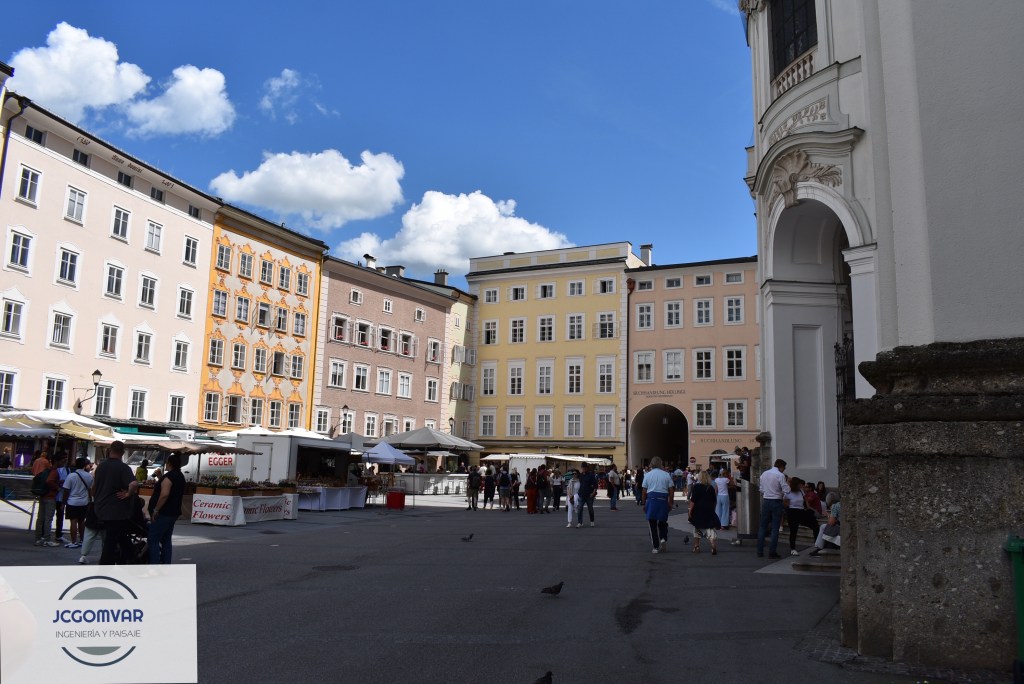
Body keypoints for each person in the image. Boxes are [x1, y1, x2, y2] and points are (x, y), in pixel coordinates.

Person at [93, 441, 139, 564]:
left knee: (118, 534)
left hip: (100, 506)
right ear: (123, 452)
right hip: (115, 508)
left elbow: (95, 485)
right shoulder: (123, 467)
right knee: (112, 538)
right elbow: (134, 483)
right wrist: (128, 494)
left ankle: (130, 555)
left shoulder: (100, 466)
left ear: (110, 450)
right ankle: (106, 564)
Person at [148, 452, 185, 564]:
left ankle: (154, 565)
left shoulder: (170, 476)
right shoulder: (180, 476)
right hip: (173, 512)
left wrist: (156, 510)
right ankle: (166, 564)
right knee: (166, 540)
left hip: (164, 512)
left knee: (153, 539)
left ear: (169, 464)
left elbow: (165, 494)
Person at [756, 459, 789, 559]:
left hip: (766, 500)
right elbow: (786, 490)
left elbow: (761, 489)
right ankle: (772, 552)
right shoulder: (780, 475)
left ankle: (759, 551)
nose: (784, 470)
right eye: (784, 468)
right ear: (781, 466)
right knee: (775, 528)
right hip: (776, 501)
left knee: (762, 526)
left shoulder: (764, 474)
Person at [641, 457, 674, 553]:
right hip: (663, 499)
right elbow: (671, 490)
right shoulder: (666, 474)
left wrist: (644, 503)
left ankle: (655, 547)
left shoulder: (647, 475)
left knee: (652, 523)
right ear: (661, 464)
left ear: (651, 464)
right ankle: (663, 537)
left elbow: (644, 491)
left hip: (651, 499)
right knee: (663, 521)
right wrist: (670, 502)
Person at [62, 457, 93, 549]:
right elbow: (90, 490)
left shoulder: (71, 476)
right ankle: (82, 540)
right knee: (82, 521)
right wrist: (90, 501)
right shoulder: (89, 476)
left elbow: (66, 490)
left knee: (73, 522)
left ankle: (74, 541)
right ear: (84, 465)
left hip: (72, 502)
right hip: (84, 502)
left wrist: (63, 503)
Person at [688, 470, 721, 554]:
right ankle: (712, 543)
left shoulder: (696, 487)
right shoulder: (710, 488)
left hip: (698, 509)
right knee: (709, 527)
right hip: (709, 509)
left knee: (697, 527)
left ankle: (697, 546)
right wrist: (712, 509)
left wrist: (690, 510)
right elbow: (714, 500)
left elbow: (693, 500)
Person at [33, 453, 62, 547]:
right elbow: (49, 481)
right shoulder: (54, 471)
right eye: (62, 461)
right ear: (57, 462)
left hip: (43, 495)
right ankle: (47, 539)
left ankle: (38, 538)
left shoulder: (47, 469)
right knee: (48, 519)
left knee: (40, 518)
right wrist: (57, 487)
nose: (63, 463)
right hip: (50, 497)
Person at [784, 477, 818, 556]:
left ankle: (817, 544)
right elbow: (785, 503)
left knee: (815, 525)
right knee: (793, 530)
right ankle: (793, 549)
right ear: (796, 484)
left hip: (801, 511)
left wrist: (812, 510)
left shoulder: (801, 491)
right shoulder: (788, 492)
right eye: (799, 484)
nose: (801, 486)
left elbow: (806, 502)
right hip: (792, 511)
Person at [53, 453, 70, 543]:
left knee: (60, 516)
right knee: (49, 516)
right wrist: (59, 482)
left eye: (65, 459)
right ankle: (44, 534)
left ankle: (58, 534)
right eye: (63, 459)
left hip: (61, 497)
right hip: (52, 496)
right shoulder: (54, 469)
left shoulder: (67, 469)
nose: (65, 460)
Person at [576, 463, 598, 527]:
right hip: (581, 494)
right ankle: (580, 522)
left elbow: (595, 486)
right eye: (583, 467)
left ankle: (592, 521)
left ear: (587, 468)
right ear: (581, 468)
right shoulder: (580, 475)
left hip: (589, 495)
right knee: (580, 508)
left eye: (585, 468)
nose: (584, 469)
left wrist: (593, 493)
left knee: (590, 509)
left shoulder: (591, 475)